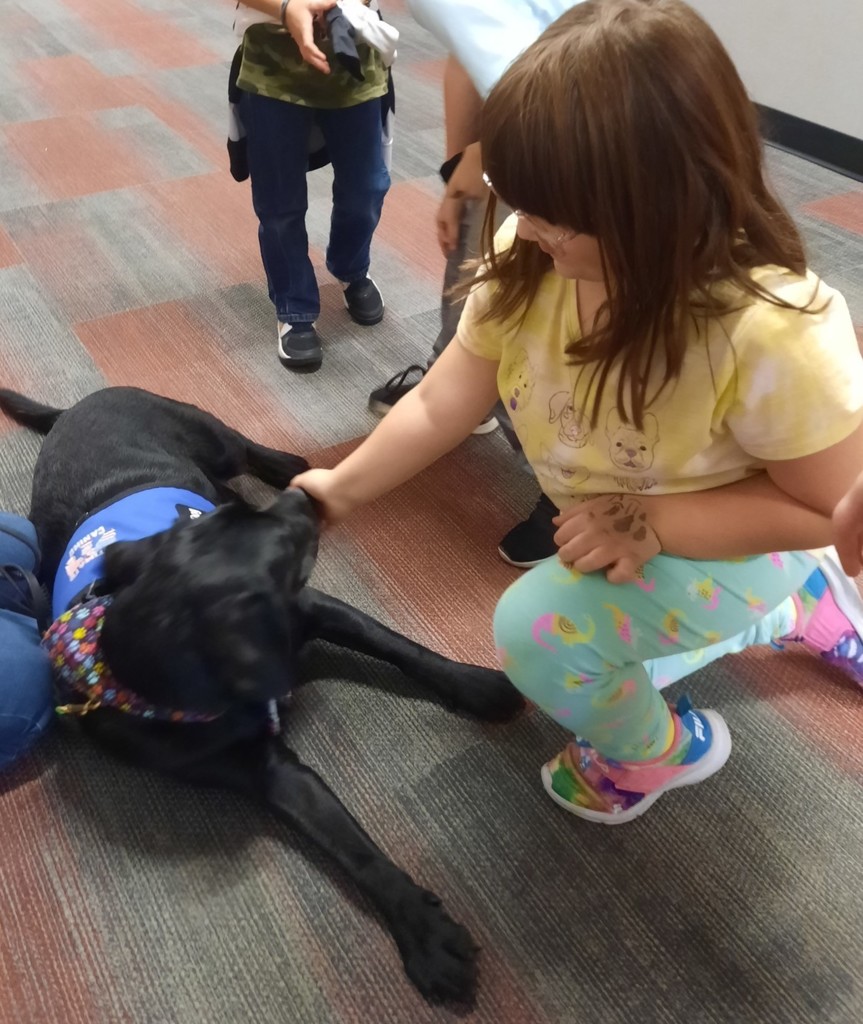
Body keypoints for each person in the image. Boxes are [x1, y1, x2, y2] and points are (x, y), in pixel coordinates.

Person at [292, 0, 863, 824]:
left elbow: (814, 509)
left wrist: (654, 525)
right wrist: (338, 489)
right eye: (521, 203)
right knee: (579, 617)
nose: (528, 230)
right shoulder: (531, 259)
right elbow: (448, 396)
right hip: (630, 522)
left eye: (558, 217)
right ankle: (789, 612)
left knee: (536, 631)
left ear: (662, 202)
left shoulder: (769, 330)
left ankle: (669, 751)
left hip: (738, 541)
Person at [369, 1, 580, 568]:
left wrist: (490, 157)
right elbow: (471, 55)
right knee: (481, 264)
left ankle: (571, 490)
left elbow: (593, 71)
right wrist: (463, 168)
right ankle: (459, 378)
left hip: (588, 142)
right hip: (517, 131)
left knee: (564, 320)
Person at [234, 0, 394, 371]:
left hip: (354, 57)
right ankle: (295, 306)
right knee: (279, 203)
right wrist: (288, 7)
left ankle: (351, 266)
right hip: (271, 64)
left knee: (367, 187)